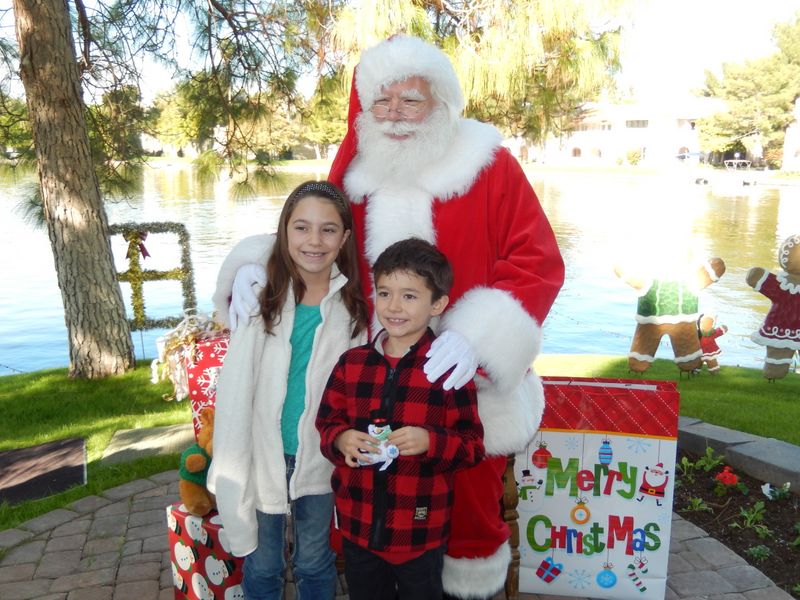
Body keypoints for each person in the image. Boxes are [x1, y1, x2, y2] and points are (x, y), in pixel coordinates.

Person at [213, 35, 565, 599]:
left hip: (463, 379)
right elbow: (315, 230)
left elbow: (538, 261)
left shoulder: (489, 163)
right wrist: (259, 264)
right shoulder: (356, 166)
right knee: (369, 500)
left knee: (469, 506)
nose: (395, 115)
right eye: (382, 101)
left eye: (411, 101)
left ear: (442, 103)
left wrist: (478, 337)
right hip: (370, 371)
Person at [207, 180, 369, 600]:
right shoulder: (264, 295)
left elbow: (358, 386)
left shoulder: (350, 308)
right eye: (302, 227)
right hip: (263, 451)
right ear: (284, 232)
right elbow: (237, 381)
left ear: (344, 237)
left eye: (328, 230)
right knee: (263, 563)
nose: (314, 240)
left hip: (317, 455)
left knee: (315, 560)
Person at [316, 238, 485, 600]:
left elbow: (472, 447)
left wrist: (430, 442)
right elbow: (327, 423)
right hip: (359, 527)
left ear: (437, 303)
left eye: (409, 296)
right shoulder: (352, 364)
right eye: (384, 293)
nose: (393, 306)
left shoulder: (447, 371)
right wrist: (342, 440)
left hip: (420, 532)